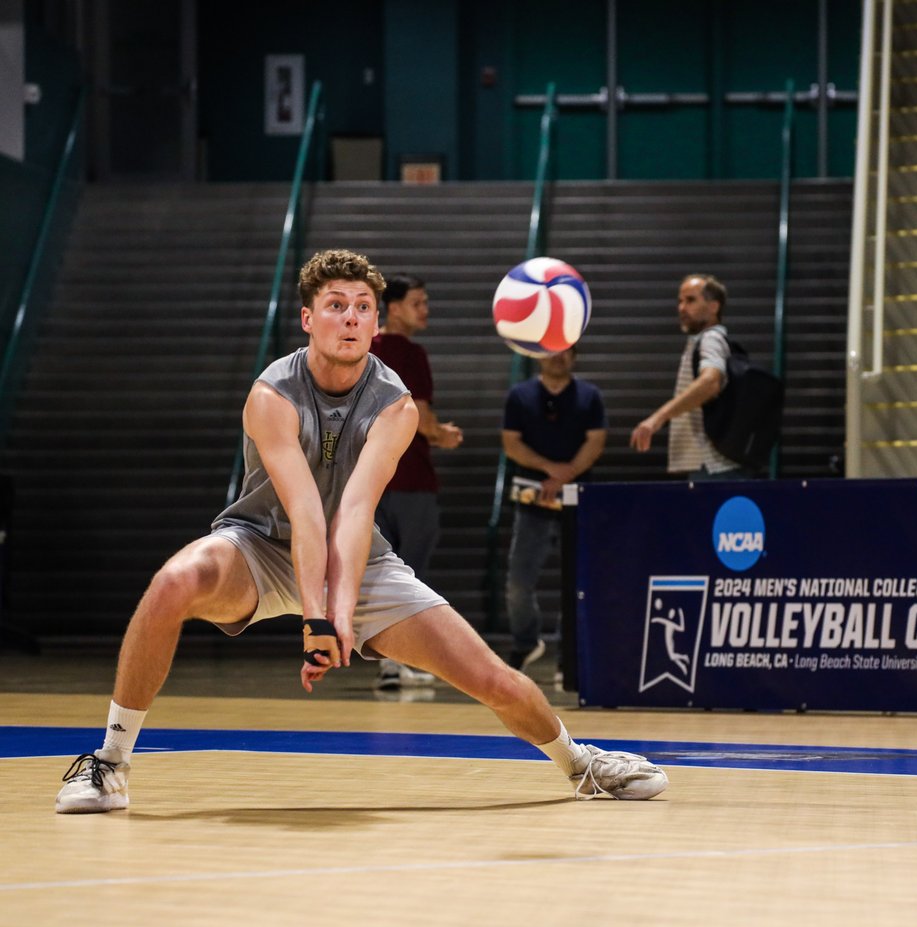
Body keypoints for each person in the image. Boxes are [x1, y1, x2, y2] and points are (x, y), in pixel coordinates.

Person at [54, 249, 668, 814]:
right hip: (260, 545)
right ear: (307, 319)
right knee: (173, 582)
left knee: (489, 676)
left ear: (377, 324)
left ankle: (582, 765)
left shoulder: (396, 404)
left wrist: (336, 619)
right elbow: (305, 514)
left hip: (363, 559)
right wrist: (316, 619)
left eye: (363, 308)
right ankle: (109, 764)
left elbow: (352, 513)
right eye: (336, 306)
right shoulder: (272, 393)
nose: (350, 319)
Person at [369, 274, 463, 690]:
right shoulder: (410, 353)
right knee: (411, 576)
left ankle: (388, 662)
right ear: (394, 307)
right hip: (410, 480)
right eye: (418, 303)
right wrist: (445, 434)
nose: (425, 310)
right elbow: (421, 418)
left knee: (377, 572)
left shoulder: (364, 349)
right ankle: (399, 659)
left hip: (370, 482)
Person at [501, 346, 606, 675]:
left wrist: (567, 474)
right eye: (551, 351)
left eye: (566, 351)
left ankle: (569, 655)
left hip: (578, 501)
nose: (558, 357)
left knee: (577, 580)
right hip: (533, 501)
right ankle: (526, 641)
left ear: (575, 355)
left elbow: (596, 440)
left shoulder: (590, 396)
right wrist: (550, 470)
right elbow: (511, 442)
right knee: (518, 581)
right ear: (537, 355)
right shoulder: (520, 395)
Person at [630, 273, 756, 480]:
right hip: (710, 463)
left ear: (714, 306)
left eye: (691, 300)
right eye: (680, 301)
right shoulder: (700, 341)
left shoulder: (711, 339)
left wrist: (657, 418)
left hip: (714, 465)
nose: (682, 308)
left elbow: (710, 381)